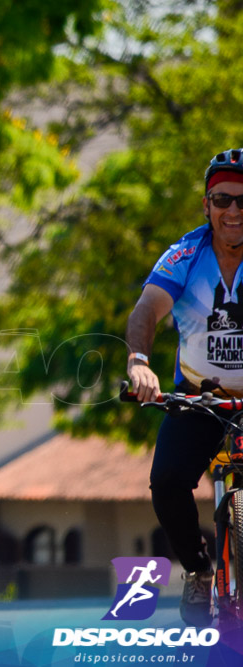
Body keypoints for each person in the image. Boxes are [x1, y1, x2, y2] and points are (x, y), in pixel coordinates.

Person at [126, 147, 243, 626]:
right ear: (206, 205)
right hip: (200, 397)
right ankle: (198, 571)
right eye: (223, 200)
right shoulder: (184, 255)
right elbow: (145, 312)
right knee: (167, 483)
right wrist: (139, 362)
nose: (234, 211)